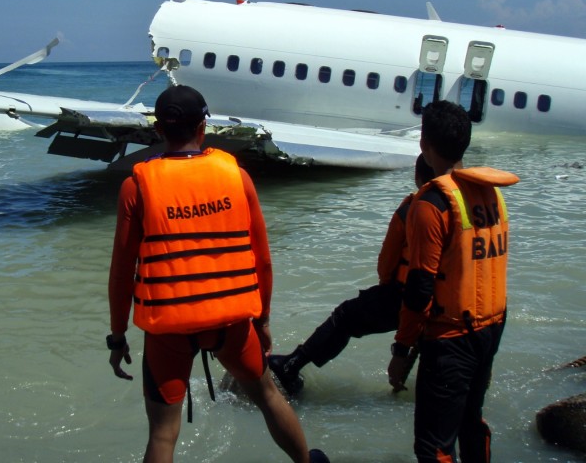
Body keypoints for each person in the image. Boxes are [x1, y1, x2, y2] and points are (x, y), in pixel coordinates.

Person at [107, 85, 329, 463]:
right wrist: (263, 319)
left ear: (158, 130)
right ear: (203, 127)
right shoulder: (237, 177)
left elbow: (121, 273)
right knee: (268, 396)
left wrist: (118, 337)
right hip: (232, 323)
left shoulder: (136, 187)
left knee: (162, 434)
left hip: (169, 329)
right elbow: (263, 260)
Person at [387, 100, 519, 462]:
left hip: (451, 339)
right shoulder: (489, 194)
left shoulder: (430, 203)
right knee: (471, 424)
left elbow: (420, 287)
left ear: (423, 144)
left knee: (434, 447)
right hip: (490, 328)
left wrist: (401, 351)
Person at [268, 154, 436, 395]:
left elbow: (387, 262)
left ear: (417, 176)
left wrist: (384, 291)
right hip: (448, 302)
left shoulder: (412, 209)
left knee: (346, 316)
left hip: (408, 295)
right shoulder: (461, 204)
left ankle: (292, 365)